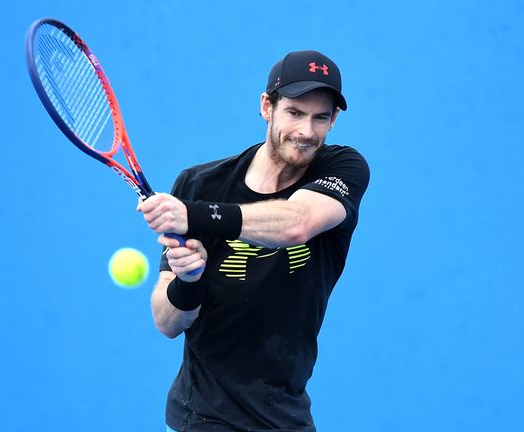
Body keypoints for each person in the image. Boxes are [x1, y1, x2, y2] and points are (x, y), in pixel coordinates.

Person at [137, 50, 370, 432]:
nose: (307, 132)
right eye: (295, 112)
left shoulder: (343, 168)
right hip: (202, 417)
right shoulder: (200, 184)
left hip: (285, 417)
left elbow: (298, 222)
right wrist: (189, 281)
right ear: (267, 107)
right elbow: (167, 321)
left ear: (334, 120)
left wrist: (194, 215)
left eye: (321, 117)